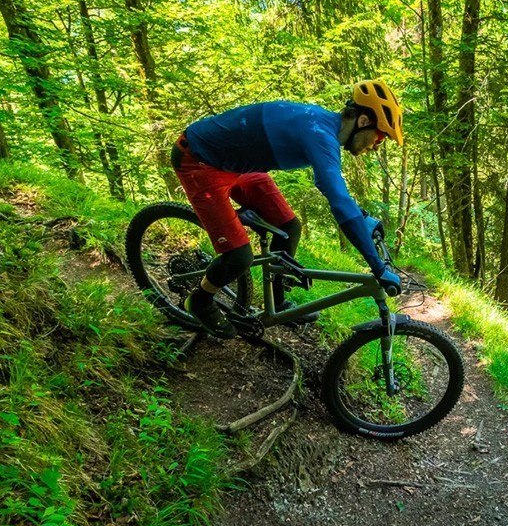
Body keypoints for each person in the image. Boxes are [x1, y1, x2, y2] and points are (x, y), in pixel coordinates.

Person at [171, 79, 404, 339]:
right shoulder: (320, 133)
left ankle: (279, 305)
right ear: (362, 121)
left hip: (238, 166)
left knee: (289, 227)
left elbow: (333, 189)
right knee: (239, 257)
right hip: (200, 161)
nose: (376, 146)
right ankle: (200, 300)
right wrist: (378, 268)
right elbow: (338, 202)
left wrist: (362, 217)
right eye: (380, 137)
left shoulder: (322, 126)